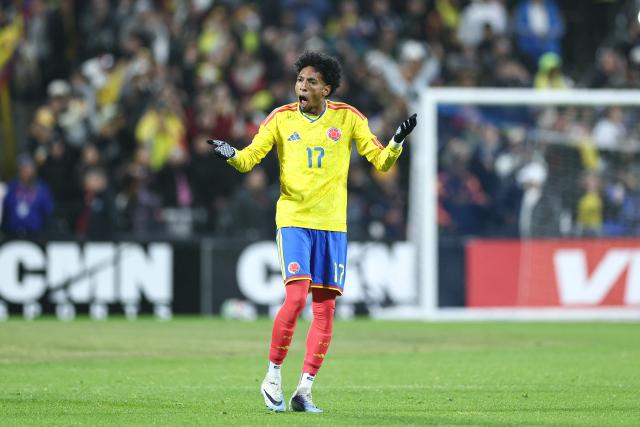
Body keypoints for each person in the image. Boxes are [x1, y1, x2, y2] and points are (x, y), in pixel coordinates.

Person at [208, 51, 417, 413]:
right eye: (300, 80)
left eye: (311, 82)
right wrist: (229, 151)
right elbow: (247, 161)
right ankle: (272, 376)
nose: (302, 87)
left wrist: (397, 141)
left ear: (327, 88)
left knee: (325, 310)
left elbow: (381, 162)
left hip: (333, 226)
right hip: (293, 220)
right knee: (295, 298)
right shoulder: (280, 118)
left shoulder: (348, 118)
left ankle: (304, 390)